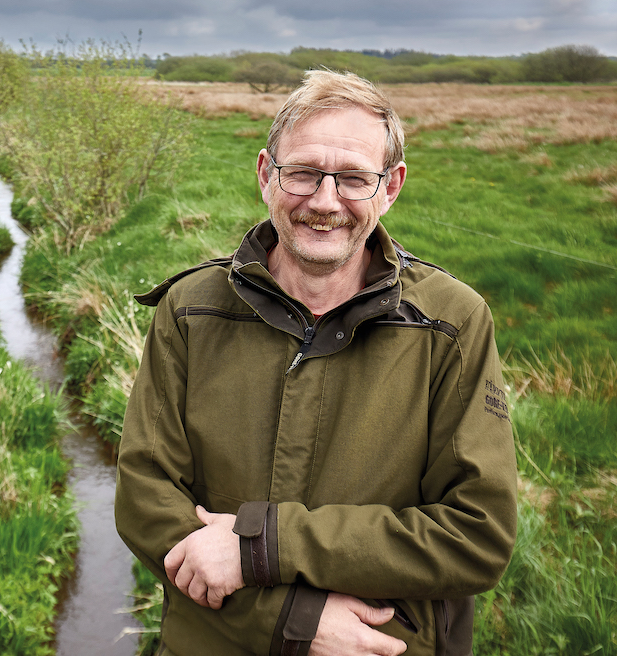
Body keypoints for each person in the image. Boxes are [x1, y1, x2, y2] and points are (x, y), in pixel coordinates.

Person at [114, 70, 517, 656]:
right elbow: (147, 500)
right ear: (265, 174)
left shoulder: (451, 325)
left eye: (354, 178)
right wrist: (290, 621)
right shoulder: (191, 310)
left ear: (391, 186)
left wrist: (264, 545)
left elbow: (476, 535)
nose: (325, 202)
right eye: (303, 172)